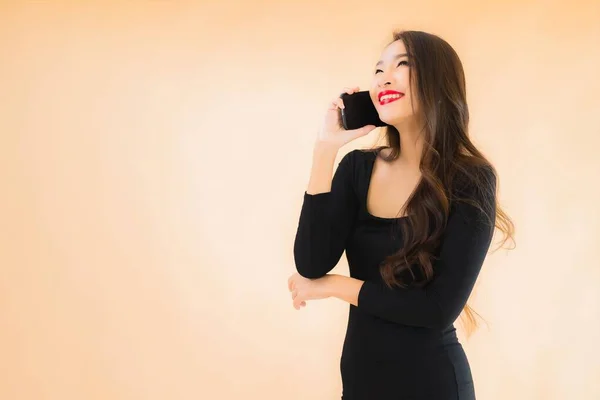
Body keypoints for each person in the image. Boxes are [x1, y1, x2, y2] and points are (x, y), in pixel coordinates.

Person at [287, 30, 515, 400]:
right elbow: (311, 263)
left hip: (434, 385)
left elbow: (437, 309)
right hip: (360, 385)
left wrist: (335, 287)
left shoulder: (470, 179)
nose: (384, 78)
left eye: (402, 64)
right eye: (378, 70)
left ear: (438, 80)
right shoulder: (357, 169)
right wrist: (324, 151)